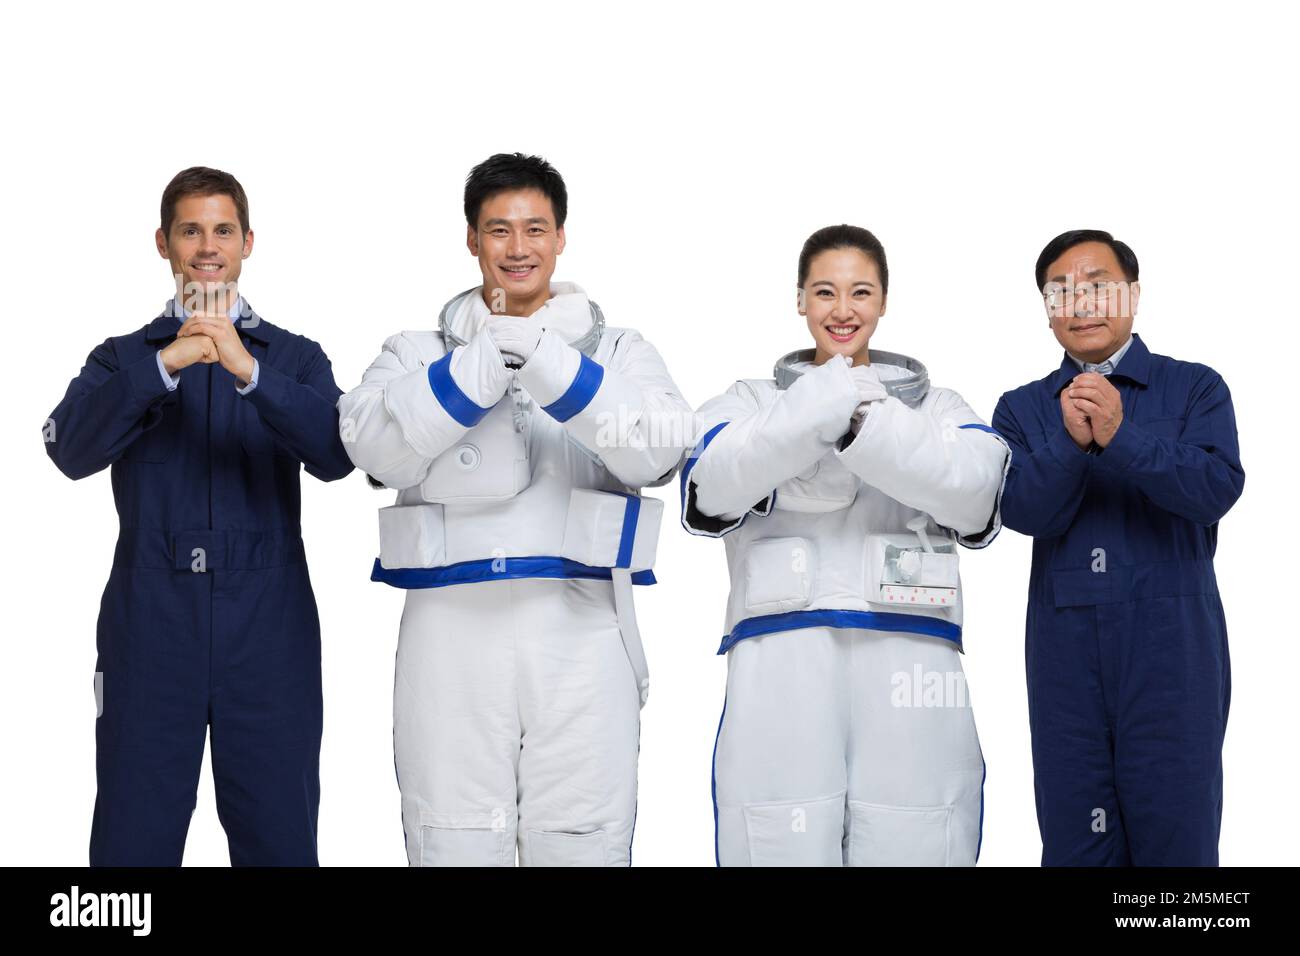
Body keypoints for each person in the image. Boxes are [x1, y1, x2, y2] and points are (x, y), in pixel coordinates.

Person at [338, 153, 692, 867]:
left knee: (584, 835)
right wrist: (480, 362)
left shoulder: (621, 350)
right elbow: (371, 446)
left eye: (535, 228)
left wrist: (549, 360)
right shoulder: (415, 351)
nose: (518, 247)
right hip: (451, 633)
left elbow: (659, 450)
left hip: (583, 627)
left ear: (562, 237)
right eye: (498, 230)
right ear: (472, 239)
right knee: (454, 834)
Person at [44, 166, 354, 866]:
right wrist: (169, 362)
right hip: (152, 624)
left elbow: (339, 454)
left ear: (248, 243)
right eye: (190, 230)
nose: (207, 246)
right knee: (132, 840)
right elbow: (68, 447)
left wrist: (250, 372)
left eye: (222, 230)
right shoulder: (122, 358)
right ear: (163, 242)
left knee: (279, 833)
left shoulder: (295, 358)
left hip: (269, 630)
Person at [681, 225, 1009, 866]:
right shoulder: (751, 399)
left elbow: (979, 490)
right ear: (800, 299)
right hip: (783, 656)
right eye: (825, 291)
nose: (843, 309)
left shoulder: (936, 405)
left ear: (884, 302)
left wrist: (868, 420)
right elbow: (710, 480)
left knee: (918, 832)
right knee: (778, 835)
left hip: (910, 657)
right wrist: (812, 411)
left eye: (861, 292)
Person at [993, 229, 1244, 866]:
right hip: (1066, 655)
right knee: (1078, 837)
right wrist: (1070, 444)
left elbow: (1215, 488)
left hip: (1173, 650)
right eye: (1061, 291)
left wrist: (1121, 436)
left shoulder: (1194, 389)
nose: (1080, 303)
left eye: (1098, 286)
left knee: (1177, 840)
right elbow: (1022, 511)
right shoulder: (1022, 409)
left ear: (1133, 294)